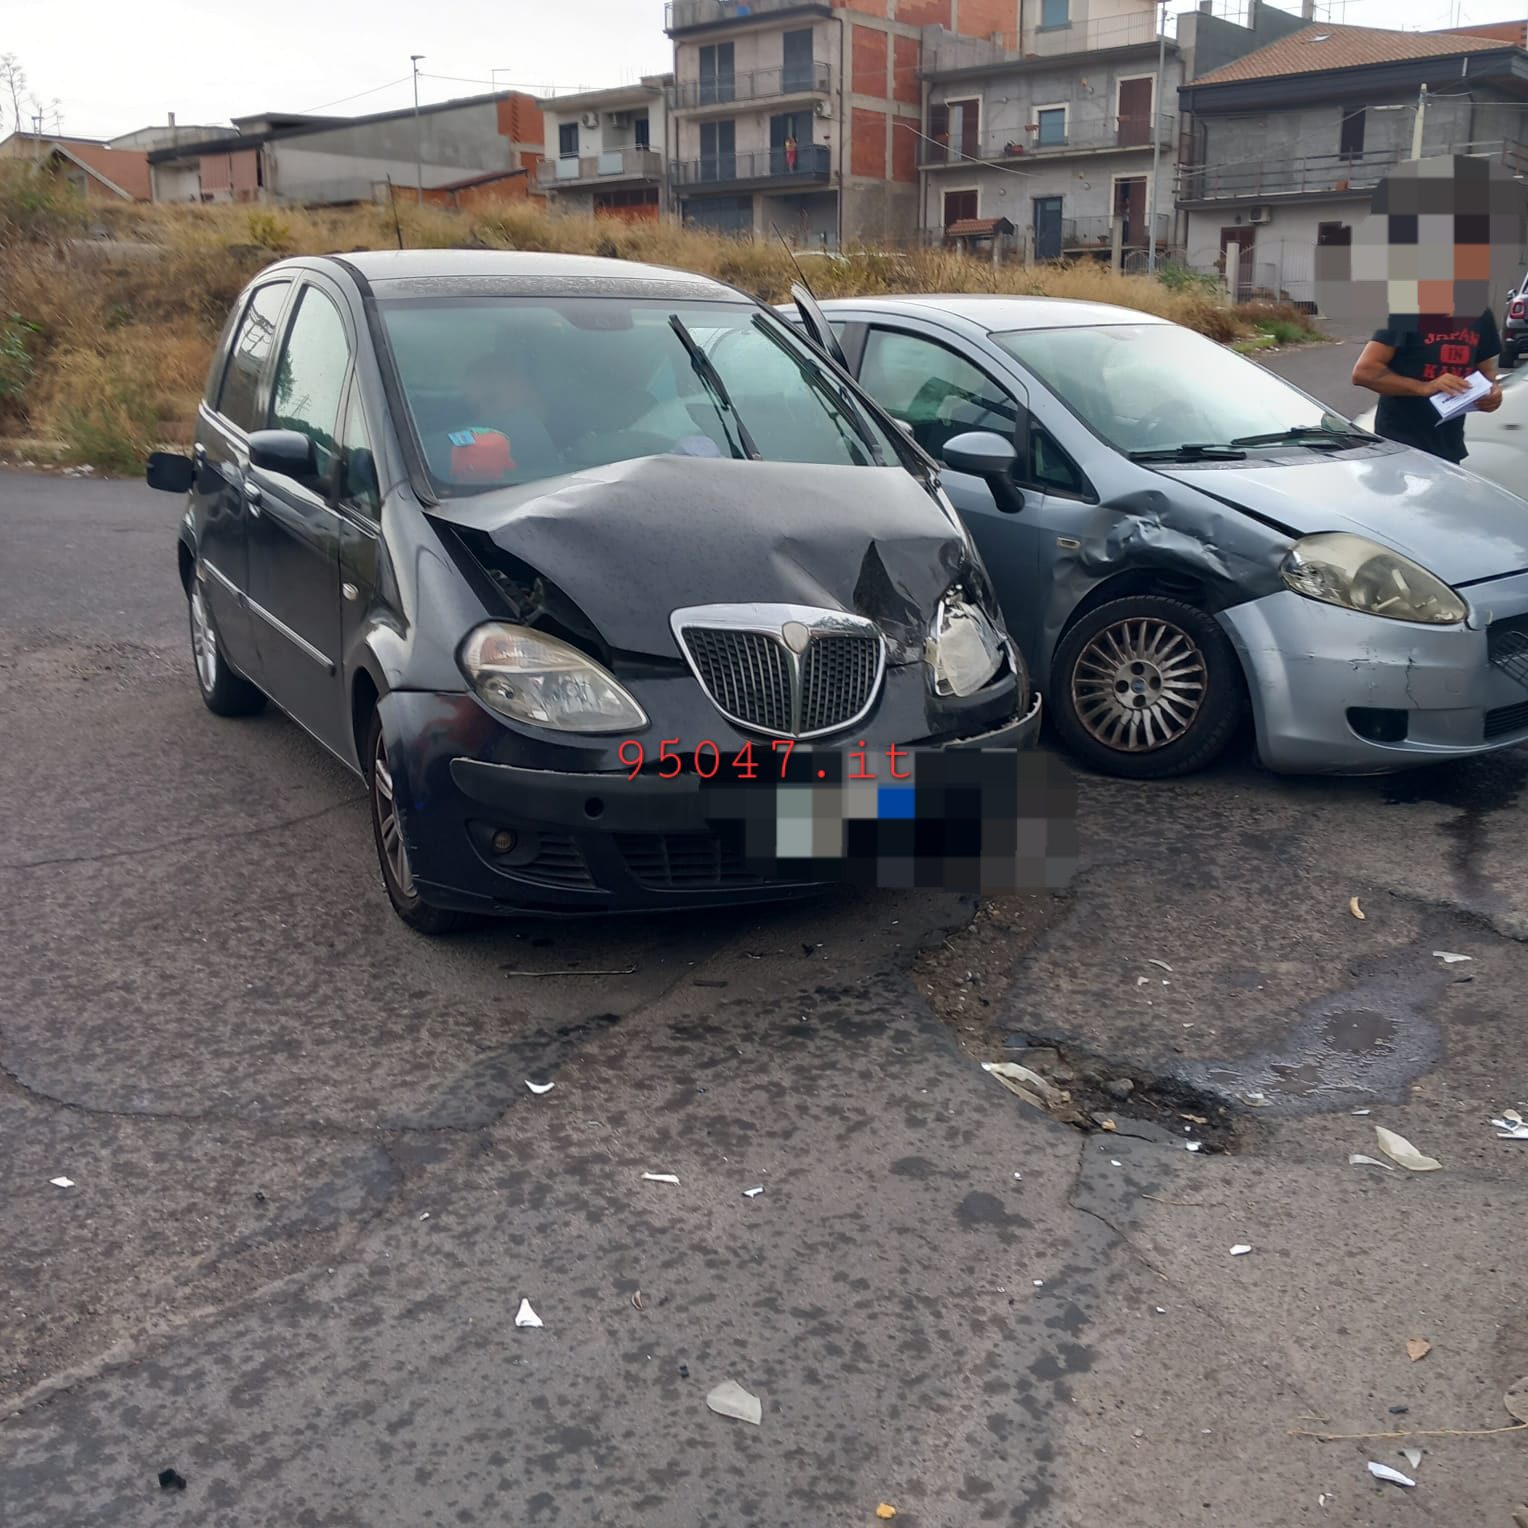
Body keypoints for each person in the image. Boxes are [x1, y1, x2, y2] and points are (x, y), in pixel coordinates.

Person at [1352, 311, 1503, 464]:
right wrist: (1424, 387)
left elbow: (1486, 371)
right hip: (1400, 445)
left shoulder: (1481, 314)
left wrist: (1493, 391)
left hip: (1447, 446)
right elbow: (1364, 372)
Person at [446, 352, 561, 484]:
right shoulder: (502, 449)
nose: (484, 416)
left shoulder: (582, 444)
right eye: (476, 408)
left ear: (520, 384)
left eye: (491, 400)